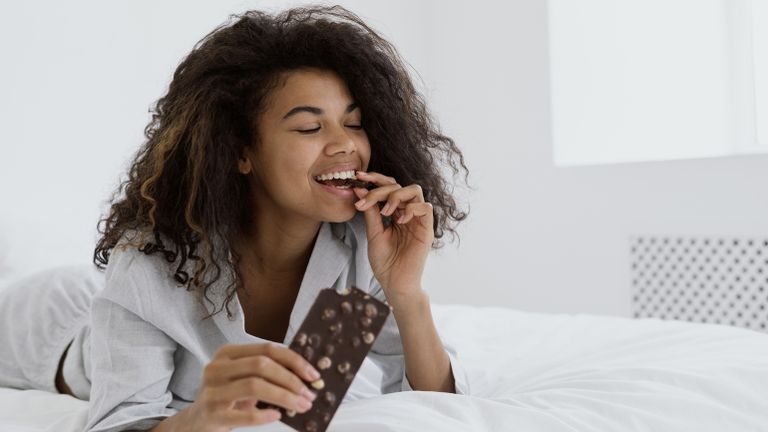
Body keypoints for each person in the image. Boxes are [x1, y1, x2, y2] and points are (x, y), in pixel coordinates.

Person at [0, 5, 471, 432]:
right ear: (241, 152)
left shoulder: (358, 248)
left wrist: (406, 293)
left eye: (354, 122)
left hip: (104, 295)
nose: (345, 143)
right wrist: (201, 417)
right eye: (310, 126)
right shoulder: (151, 261)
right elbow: (122, 422)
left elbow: (434, 406)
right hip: (48, 328)